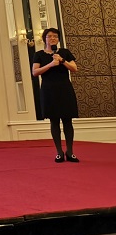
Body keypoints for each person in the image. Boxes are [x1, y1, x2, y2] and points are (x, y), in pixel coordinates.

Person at [32, 28, 79, 163]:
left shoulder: (64, 52)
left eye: (55, 36)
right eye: (49, 36)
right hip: (49, 90)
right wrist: (51, 64)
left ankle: (70, 152)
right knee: (54, 121)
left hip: (64, 88)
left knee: (67, 120)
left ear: (58, 39)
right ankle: (59, 152)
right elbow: (35, 72)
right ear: (44, 39)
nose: (52, 38)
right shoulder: (39, 54)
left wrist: (62, 61)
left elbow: (74, 68)